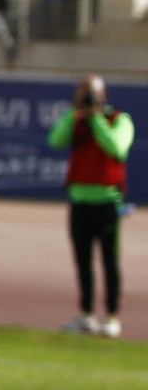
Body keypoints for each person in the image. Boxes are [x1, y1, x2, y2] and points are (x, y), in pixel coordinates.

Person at [50, 75, 134, 338]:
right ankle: (86, 314)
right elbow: (56, 140)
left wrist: (96, 118)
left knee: (109, 261)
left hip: (107, 202)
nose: (87, 97)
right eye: (83, 92)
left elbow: (116, 147)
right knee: (82, 260)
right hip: (80, 202)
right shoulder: (76, 120)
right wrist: (76, 112)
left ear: (103, 95)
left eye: (91, 93)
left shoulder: (119, 120)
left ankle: (112, 316)